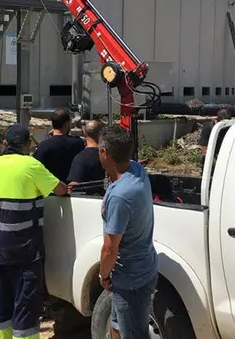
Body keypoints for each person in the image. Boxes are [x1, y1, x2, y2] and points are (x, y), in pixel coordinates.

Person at [0, 124, 68, 339]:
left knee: (1, 302)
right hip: (24, 249)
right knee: (25, 305)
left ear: (5, 144)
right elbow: (59, 189)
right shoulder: (31, 165)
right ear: (27, 145)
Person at [97, 126, 158, 339]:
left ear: (105, 153)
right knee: (118, 326)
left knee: (132, 334)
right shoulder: (136, 171)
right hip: (139, 270)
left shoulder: (120, 197)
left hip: (131, 280)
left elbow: (109, 249)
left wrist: (103, 275)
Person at [33, 107, 85, 182]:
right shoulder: (77, 143)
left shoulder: (43, 145)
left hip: (50, 189)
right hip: (71, 189)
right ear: (66, 123)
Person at [67, 119, 106, 185]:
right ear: (103, 134)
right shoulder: (109, 155)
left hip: (88, 195)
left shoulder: (80, 158)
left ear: (84, 133)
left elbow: (74, 185)